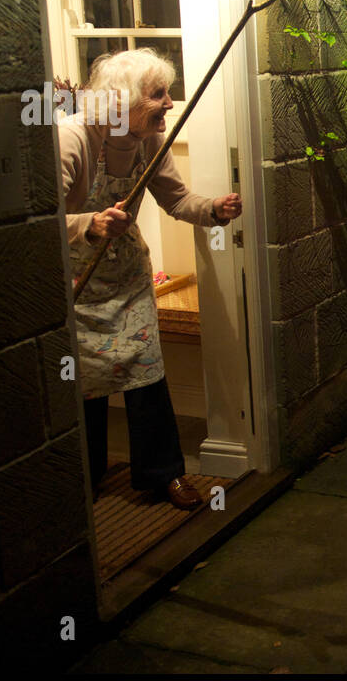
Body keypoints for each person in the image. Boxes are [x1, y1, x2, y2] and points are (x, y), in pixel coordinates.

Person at [60, 48, 242, 509]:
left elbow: (177, 199)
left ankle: (163, 474)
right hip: (77, 282)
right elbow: (35, 220)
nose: (169, 103)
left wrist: (213, 210)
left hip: (128, 278)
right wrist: (90, 224)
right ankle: (86, 475)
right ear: (122, 101)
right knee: (85, 383)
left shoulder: (147, 141)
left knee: (146, 373)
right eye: (158, 94)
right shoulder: (73, 138)